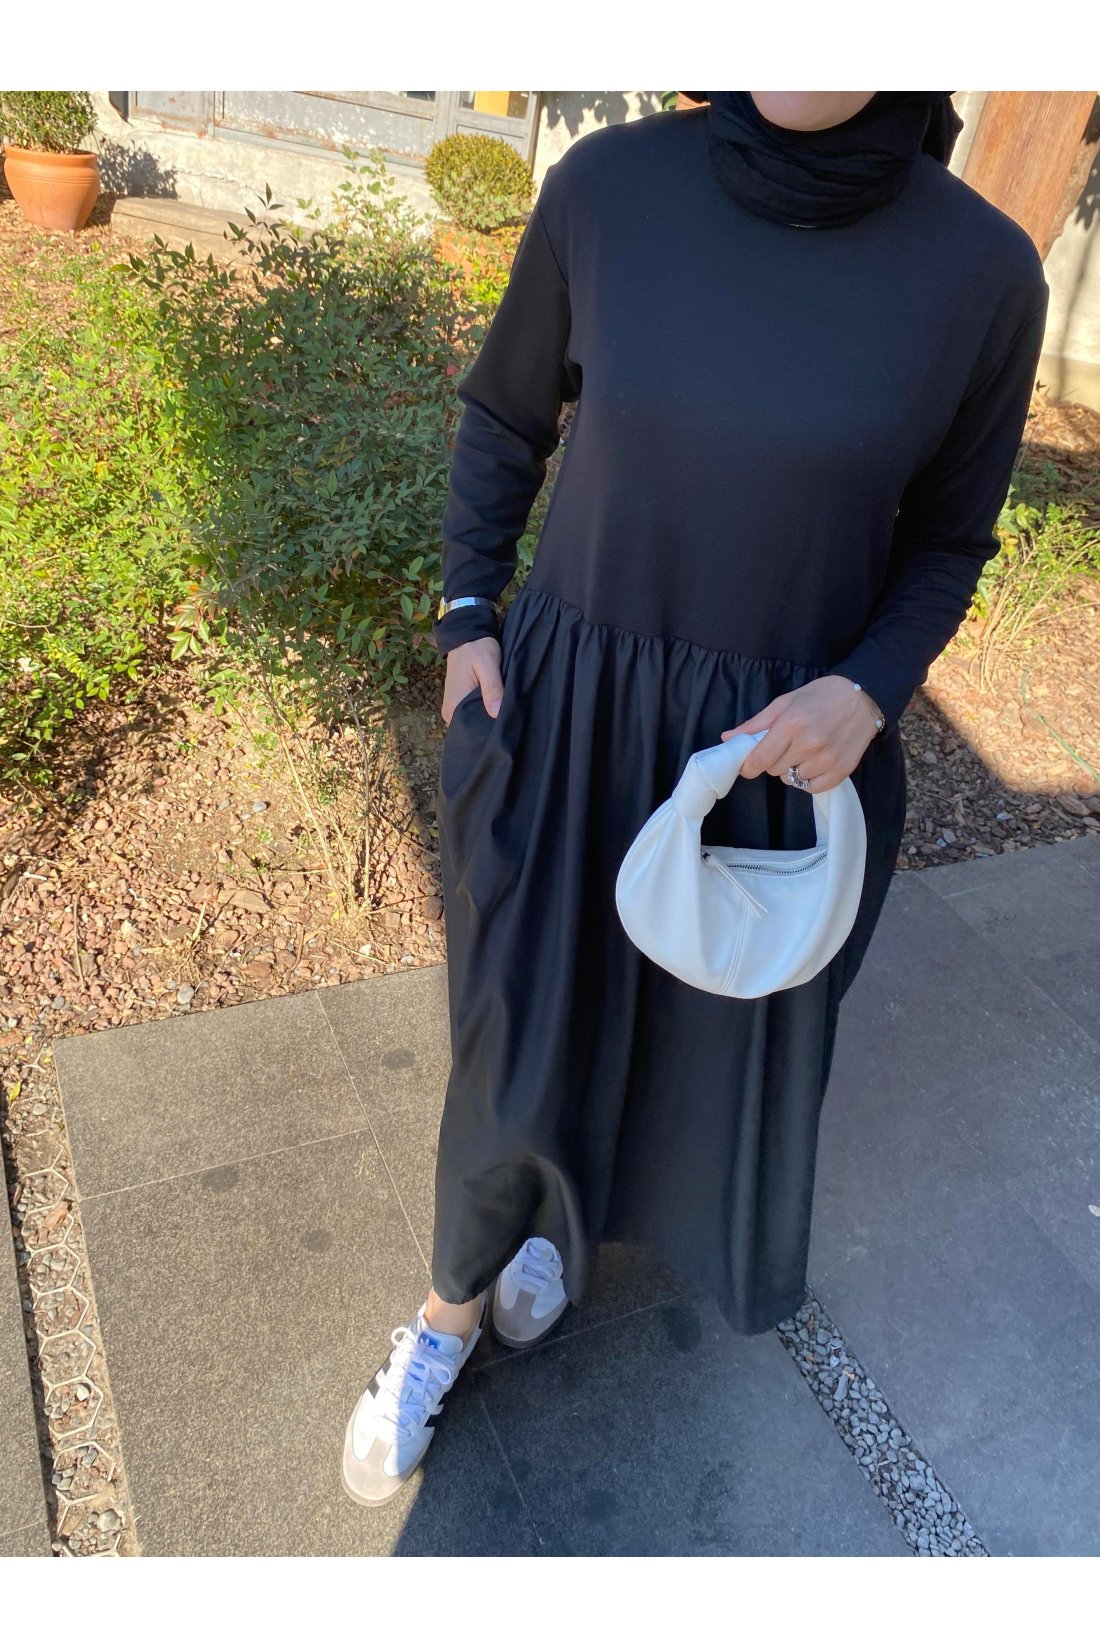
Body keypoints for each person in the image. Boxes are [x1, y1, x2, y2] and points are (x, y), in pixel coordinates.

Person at [341, 91, 1050, 1508]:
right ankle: (447, 1313)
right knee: (513, 1036)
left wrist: (872, 690)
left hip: (773, 756)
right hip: (569, 714)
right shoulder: (611, 188)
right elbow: (503, 414)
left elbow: (949, 540)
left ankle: (562, 1229)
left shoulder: (980, 271)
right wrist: (469, 608)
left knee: (682, 1047)